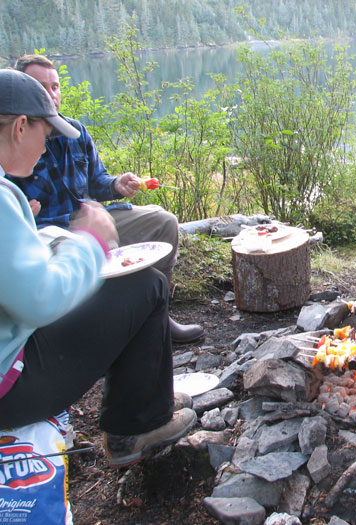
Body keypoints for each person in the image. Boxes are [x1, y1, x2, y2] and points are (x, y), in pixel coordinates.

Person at [0, 68, 196, 468]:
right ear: (21, 127)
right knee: (147, 287)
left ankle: (144, 399)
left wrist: (69, 240)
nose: (45, 145)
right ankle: (135, 426)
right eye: (44, 132)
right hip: (11, 384)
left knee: (141, 280)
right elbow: (39, 301)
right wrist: (89, 242)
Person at [6, 54, 204, 344]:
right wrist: (26, 212)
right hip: (46, 234)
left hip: (87, 218)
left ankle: (158, 314)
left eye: (55, 86)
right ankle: (93, 335)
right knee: (74, 252)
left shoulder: (74, 132)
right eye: (41, 87)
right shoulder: (13, 144)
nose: (51, 95)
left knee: (163, 222)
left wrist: (117, 185)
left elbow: (97, 182)